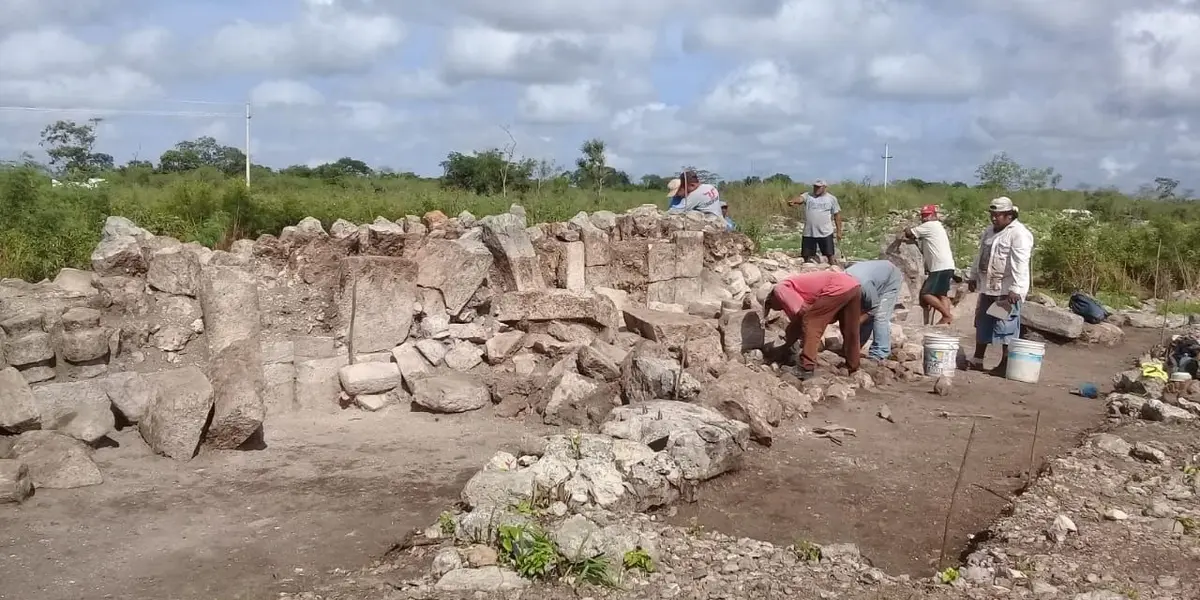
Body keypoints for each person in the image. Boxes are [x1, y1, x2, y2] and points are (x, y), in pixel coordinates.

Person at [966, 197, 1034, 374]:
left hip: (1006, 290)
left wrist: (1016, 289)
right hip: (988, 287)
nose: (994, 218)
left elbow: (1020, 263)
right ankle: (977, 359)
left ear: (1009, 215)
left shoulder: (1019, 234)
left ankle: (1005, 365)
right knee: (983, 322)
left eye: (998, 215)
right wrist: (973, 276)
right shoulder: (989, 232)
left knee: (1005, 326)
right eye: (992, 215)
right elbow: (980, 255)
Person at [762, 270, 862, 379]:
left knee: (811, 321)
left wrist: (789, 342)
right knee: (850, 328)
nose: (775, 309)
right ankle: (852, 365)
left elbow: (802, 315)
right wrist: (788, 344)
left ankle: (806, 367)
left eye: (770, 306)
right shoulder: (793, 285)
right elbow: (800, 319)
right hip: (853, 285)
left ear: (770, 299)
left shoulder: (780, 289)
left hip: (836, 288)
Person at [904, 204, 957, 325]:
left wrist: (905, 229)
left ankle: (947, 316)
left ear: (934, 216)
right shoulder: (937, 226)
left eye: (927, 215)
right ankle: (946, 323)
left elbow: (909, 233)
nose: (924, 218)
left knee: (926, 294)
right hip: (947, 265)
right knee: (942, 294)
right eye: (923, 216)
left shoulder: (930, 226)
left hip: (939, 266)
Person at [845, 259, 903, 361]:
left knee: (880, 316)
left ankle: (880, 353)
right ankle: (855, 347)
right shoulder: (844, 281)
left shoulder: (864, 285)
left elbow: (873, 307)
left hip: (890, 278)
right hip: (875, 278)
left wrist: (857, 321)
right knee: (864, 315)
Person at [787, 179, 842, 264]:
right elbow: (800, 199)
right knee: (806, 256)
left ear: (824, 187)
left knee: (830, 255)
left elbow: (837, 215)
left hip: (825, 232)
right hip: (809, 232)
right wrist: (794, 201)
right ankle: (807, 271)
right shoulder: (808, 195)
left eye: (818, 187)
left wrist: (839, 231)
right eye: (815, 187)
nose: (816, 189)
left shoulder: (831, 199)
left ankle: (834, 271)